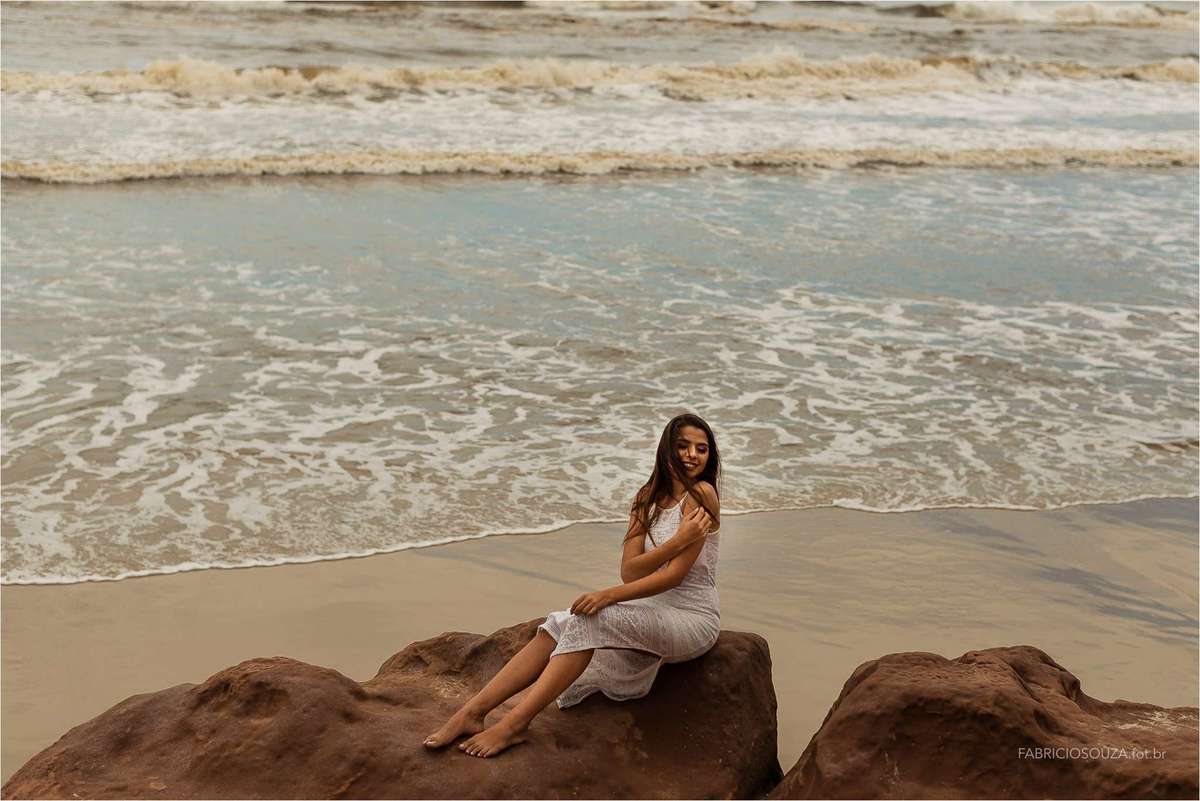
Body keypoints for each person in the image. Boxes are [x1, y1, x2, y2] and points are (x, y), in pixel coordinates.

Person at [423, 412, 723, 758]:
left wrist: (606, 596)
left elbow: (672, 577)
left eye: (702, 449)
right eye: (683, 446)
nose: (692, 455)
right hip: (651, 605)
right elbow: (630, 571)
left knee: (592, 617)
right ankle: (472, 713)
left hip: (691, 617)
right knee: (559, 622)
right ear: (666, 449)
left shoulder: (702, 496)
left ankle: (516, 724)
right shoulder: (645, 498)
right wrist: (675, 542)